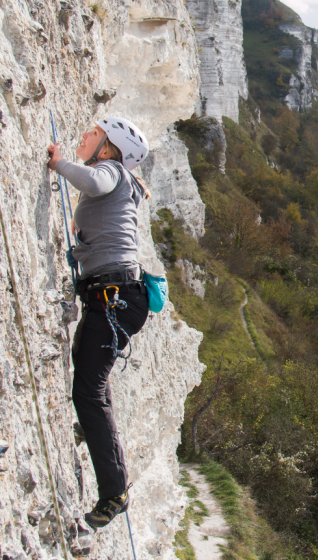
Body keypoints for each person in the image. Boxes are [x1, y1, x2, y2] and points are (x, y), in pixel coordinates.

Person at [47, 117, 151, 529]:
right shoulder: (121, 177)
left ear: (106, 149)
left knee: (87, 392)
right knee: (94, 387)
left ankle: (114, 492)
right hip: (116, 297)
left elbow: (93, 184)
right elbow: (107, 229)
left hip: (115, 298)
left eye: (92, 134)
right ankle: (114, 479)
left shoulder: (110, 171)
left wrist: (57, 164)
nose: (82, 137)